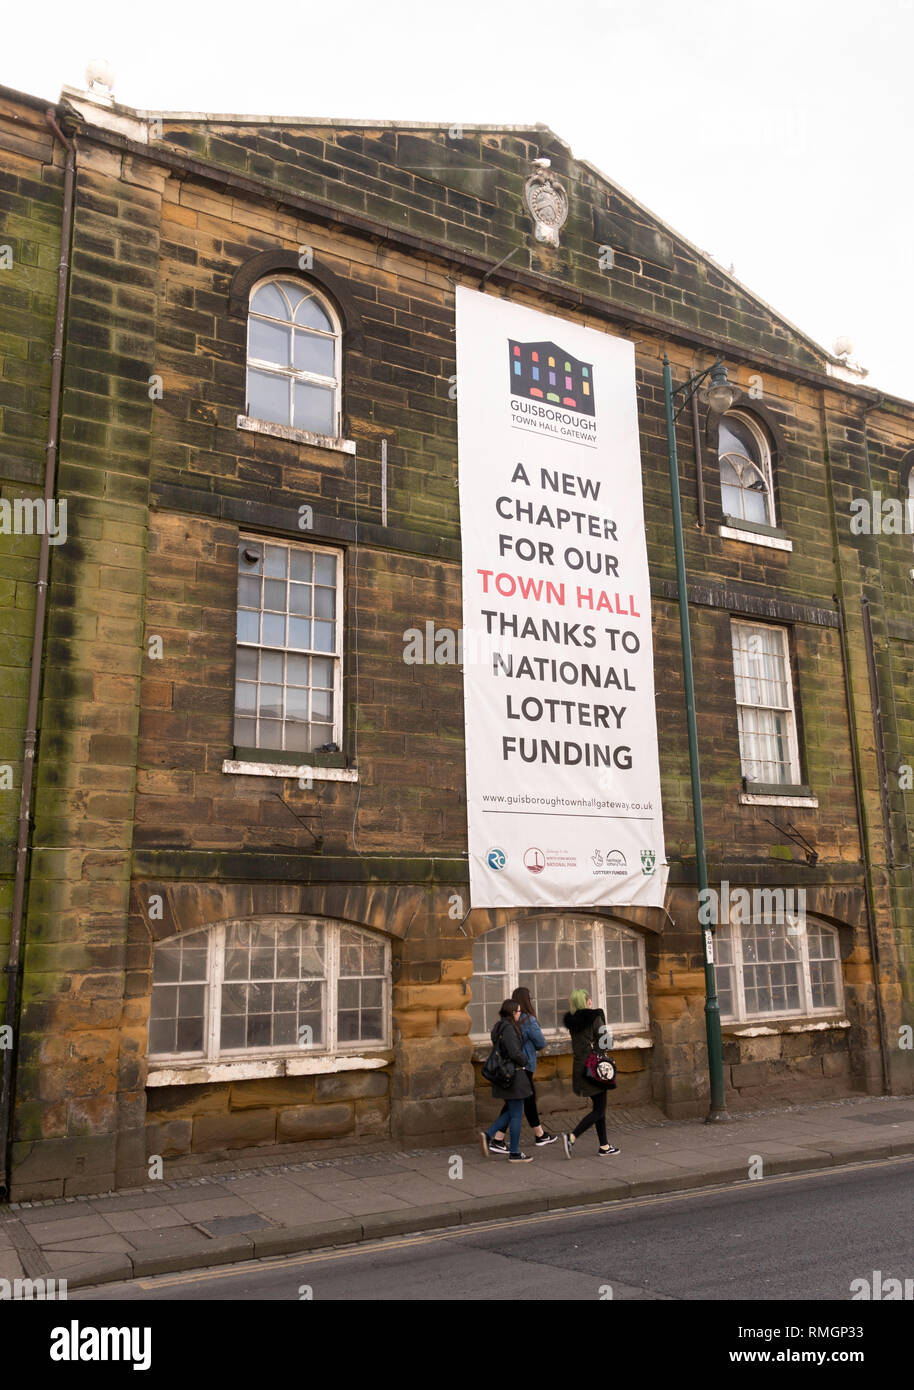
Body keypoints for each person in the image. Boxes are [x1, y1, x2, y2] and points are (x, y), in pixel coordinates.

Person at [487, 987, 557, 1151]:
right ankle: (499, 1139)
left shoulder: (508, 1021)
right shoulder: (528, 1020)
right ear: (527, 1001)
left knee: (523, 1099)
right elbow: (540, 1043)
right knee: (519, 1100)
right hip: (524, 1065)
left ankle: (537, 1134)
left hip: (510, 1066)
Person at [561, 988, 621, 1158]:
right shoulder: (595, 1018)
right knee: (599, 1110)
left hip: (581, 1067)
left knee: (599, 1107)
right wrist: (603, 1022)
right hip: (596, 1068)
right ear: (586, 1001)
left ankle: (604, 1146)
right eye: (589, 998)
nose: (591, 1001)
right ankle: (571, 1137)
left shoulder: (573, 1023)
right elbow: (606, 1043)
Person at [479, 999, 534, 1163]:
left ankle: (489, 1134)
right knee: (516, 1113)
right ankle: (515, 1153)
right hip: (513, 1075)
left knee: (512, 1111)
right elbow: (514, 1052)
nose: (520, 1014)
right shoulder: (509, 1028)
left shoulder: (499, 1026)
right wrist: (525, 1060)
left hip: (505, 1074)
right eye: (518, 1012)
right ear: (512, 1013)